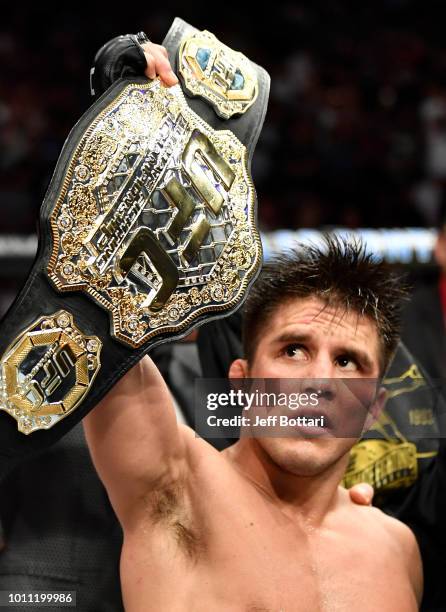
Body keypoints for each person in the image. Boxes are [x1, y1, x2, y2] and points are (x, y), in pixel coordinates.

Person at [83, 237, 422, 610]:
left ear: (373, 408)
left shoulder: (398, 549)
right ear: (243, 381)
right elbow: (86, 310)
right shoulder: (175, 488)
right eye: (293, 350)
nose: (319, 382)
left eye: (347, 362)